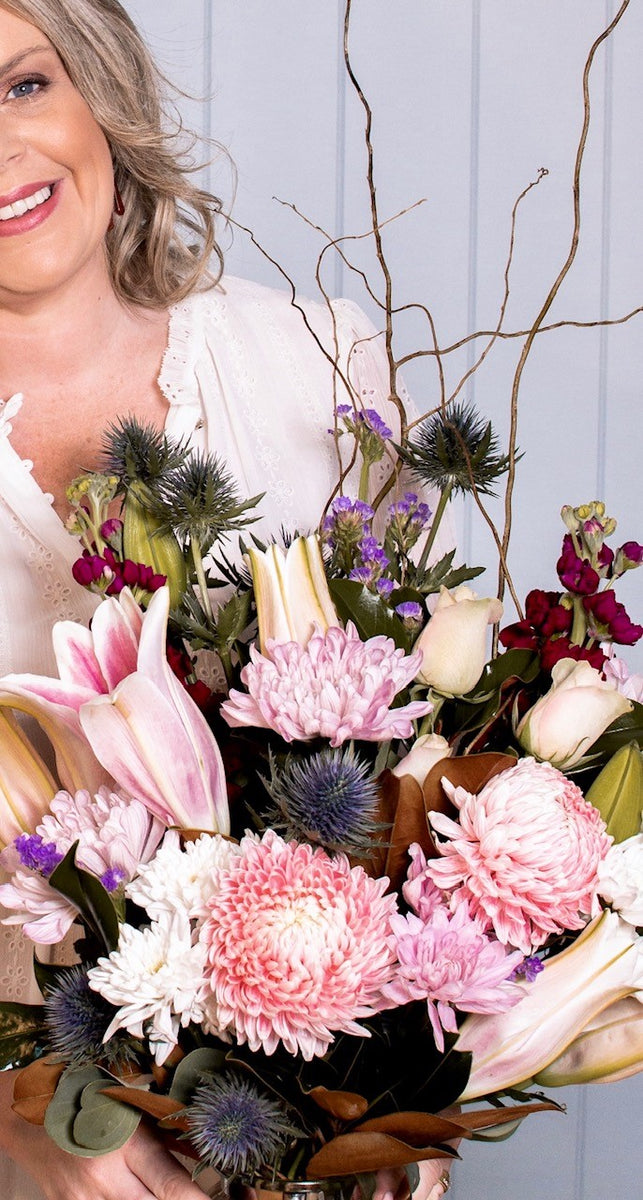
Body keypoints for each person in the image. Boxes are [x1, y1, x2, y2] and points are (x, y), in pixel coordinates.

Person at [0, 2, 454, 1198]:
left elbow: (448, 759)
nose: (3, 151)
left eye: (23, 87)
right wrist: (23, 1118)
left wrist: (412, 1107)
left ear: (98, 88)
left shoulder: (315, 366)